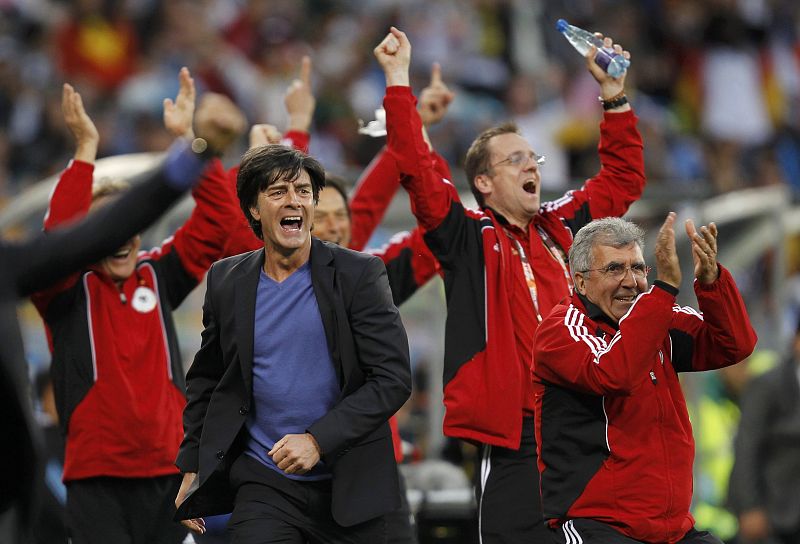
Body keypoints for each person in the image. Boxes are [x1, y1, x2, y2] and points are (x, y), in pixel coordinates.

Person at [377, 26, 644, 542]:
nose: (531, 165)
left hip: (587, 422)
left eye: (533, 158)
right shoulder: (467, 238)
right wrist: (396, 80)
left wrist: (613, 96)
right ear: (483, 182)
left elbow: (623, 179)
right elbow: (418, 171)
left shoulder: (566, 226)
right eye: (514, 159)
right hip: (517, 437)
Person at [0, 82, 240, 544]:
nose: (124, 238)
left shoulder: (158, 274)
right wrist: (85, 154)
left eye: (132, 228)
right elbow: (55, 244)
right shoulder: (65, 291)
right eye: (110, 228)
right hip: (97, 479)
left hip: (169, 474)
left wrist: (195, 146)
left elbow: (219, 225)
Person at [174, 144, 412, 543]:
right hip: (265, 484)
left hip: (352, 484)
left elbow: (392, 379)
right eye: (278, 191)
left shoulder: (359, 275)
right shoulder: (226, 281)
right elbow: (208, 380)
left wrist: (319, 439)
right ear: (253, 208)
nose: (294, 201)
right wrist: (194, 465)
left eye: (303, 191)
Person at [532, 213, 758, 543]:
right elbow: (615, 374)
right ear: (580, 282)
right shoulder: (561, 331)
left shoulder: (656, 318)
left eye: (638, 267)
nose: (631, 280)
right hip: (599, 525)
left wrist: (712, 283)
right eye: (614, 268)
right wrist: (663, 288)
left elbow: (734, 345)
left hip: (672, 528)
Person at [728, 324, 800, 544]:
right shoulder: (767, 386)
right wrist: (750, 506)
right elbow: (747, 447)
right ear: (796, 342)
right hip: (776, 514)